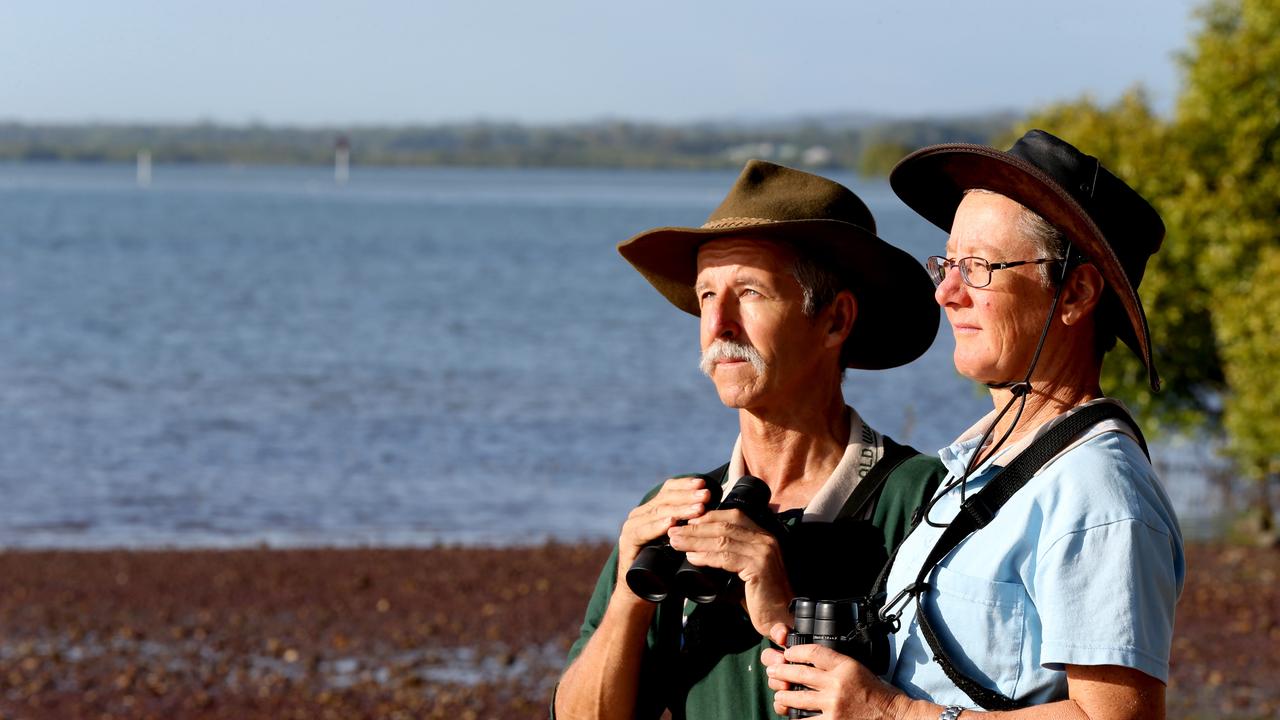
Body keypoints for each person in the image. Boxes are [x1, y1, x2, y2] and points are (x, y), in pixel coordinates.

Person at [762, 130, 1186, 719]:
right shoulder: (979, 460)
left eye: (980, 267)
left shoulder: (1098, 492)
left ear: (1075, 292)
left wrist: (890, 714)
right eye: (948, 263)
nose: (945, 293)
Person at [552, 159, 949, 719]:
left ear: (835, 321)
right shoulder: (678, 513)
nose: (718, 325)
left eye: (751, 293)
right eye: (707, 295)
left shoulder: (927, 501)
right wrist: (628, 596)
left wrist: (784, 611)